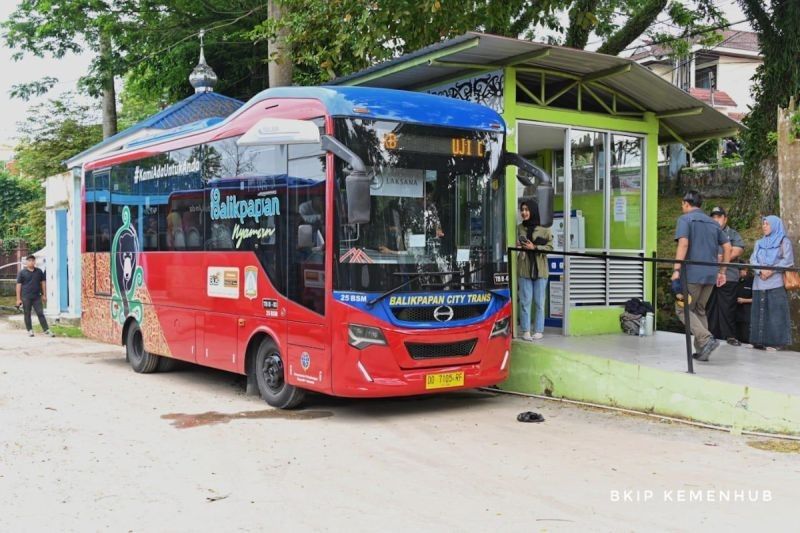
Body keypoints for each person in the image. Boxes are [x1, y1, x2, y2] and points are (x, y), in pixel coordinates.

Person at [672, 191, 732, 361]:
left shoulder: (685, 219)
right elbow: (727, 247)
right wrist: (722, 271)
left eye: (682, 203)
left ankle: (706, 340)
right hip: (711, 274)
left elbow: (683, 244)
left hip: (692, 274)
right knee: (699, 309)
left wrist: (676, 269)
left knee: (682, 308)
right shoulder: (713, 223)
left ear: (686, 203)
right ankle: (703, 350)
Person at [749, 215, 794, 351]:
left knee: (776, 313)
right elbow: (752, 259)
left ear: (775, 225)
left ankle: (776, 343)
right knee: (758, 312)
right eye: (763, 224)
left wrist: (771, 270)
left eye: (767, 224)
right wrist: (760, 271)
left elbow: (788, 260)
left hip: (776, 283)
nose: (764, 226)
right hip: (759, 282)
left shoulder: (783, 241)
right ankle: (758, 341)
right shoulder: (759, 243)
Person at [707, 206, 745, 345]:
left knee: (728, 308)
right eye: (714, 217)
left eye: (719, 217)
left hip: (728, 276)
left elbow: (737, 251)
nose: (716, 219)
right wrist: (725, 255)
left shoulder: (732, 234)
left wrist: (718, 257)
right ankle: (709, 336)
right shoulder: (707, 234)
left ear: (725, 218)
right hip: (709, 276)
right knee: (709, 307)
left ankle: (730, 336)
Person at [516, 200, 553, 341]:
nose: (524, 212)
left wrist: (535, 248)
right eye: (522, 209)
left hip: (540, 270)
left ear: (533, 210)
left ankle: (538, 330)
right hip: (525, 268)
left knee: (539, 302)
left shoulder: (544, 229)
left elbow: (550, 247)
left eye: (527, 209)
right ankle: (525, 330)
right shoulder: (520, 228)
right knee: (525, 301)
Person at [15, 255, 54, 338]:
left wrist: (44, 295)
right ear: (26, 262)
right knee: (27, 314)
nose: (31, 262)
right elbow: (18, 285)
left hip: (37, 297)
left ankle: (46, 329)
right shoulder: (22, 273)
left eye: (33, 260)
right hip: (26, 297)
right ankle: (30, 330)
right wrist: (18, 299)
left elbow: (43, 283)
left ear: (35, 262)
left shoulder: (39, 271)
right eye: (29, 261)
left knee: (40, 313)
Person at [734, 263, 753, 345]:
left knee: (746, 338)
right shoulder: (736, 281)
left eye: (740, 270)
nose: (738, 272)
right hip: (736, 315)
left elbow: (758, 299)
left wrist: (744, 300)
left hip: (747, 315)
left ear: (746, 270)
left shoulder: (752, 281)